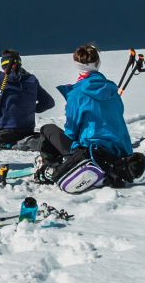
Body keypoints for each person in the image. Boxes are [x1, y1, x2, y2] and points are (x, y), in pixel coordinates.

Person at [37, 44, 138, 188]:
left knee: (47, 129)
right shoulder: (112, 90)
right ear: (98, 63)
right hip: (120, 151)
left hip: (92, 152)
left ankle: (51, 168)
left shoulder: (76, 94)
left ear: (77, 66)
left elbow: (71, 130)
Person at [0, 49, 55, 146]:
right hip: (27, 130)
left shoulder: (1, 80)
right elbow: (49, 102)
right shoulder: (32, 79)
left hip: (6, 130)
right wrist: (30, 109)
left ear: (4, 65)